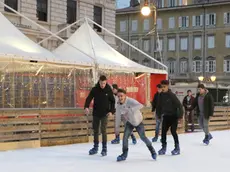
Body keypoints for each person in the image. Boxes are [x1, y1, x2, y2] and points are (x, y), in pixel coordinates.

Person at [116, 89, 157, 162]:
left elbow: (140, 105)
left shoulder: (130, 101)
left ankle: (153, 151)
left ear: (125, 96)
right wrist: (117, 128)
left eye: (121, 96)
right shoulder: (118, 105)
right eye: (118, 96)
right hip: (130, 122)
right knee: (125, 138)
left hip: (138, 122)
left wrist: (131, 109)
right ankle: (124, 154)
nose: (120, 98)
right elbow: (118, 117)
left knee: (143, 137)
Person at [84, 75, 115, 156]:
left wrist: (112, 111)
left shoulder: (108, 90)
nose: (102, 85)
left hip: (105, 113)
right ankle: (95, 147)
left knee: (103, 131)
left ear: (106, 82)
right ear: (99, 81)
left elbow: (113, 101)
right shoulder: (95, 89)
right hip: (96, 113)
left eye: (104, 83)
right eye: (101, 83)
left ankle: (104, 148)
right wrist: (86, 106)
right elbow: (89, 98)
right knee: (96, 130)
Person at [157, 80, 183, 156]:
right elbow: (159, 106)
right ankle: (163, 147)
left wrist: (180, 116)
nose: (163, 88)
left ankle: (177, 147)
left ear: (168, 86)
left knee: (173, 131)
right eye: (162, 87)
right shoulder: (160, 95)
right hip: (166, 116)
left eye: (164, 87)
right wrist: (158, 115)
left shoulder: (172, 95)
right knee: (163, 132)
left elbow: (179, 106)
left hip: (173, 116)